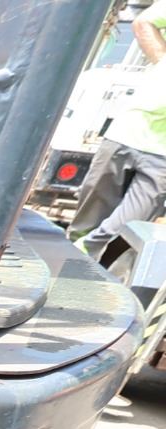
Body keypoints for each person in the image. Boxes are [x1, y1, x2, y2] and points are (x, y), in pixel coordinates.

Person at [72, 2, 166, 258]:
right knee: (88, 216)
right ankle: (69, 259)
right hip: (128, 130)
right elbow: (144, 21)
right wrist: (162, 62)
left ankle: (86, 251)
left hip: (162, 154)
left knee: (131, 225)